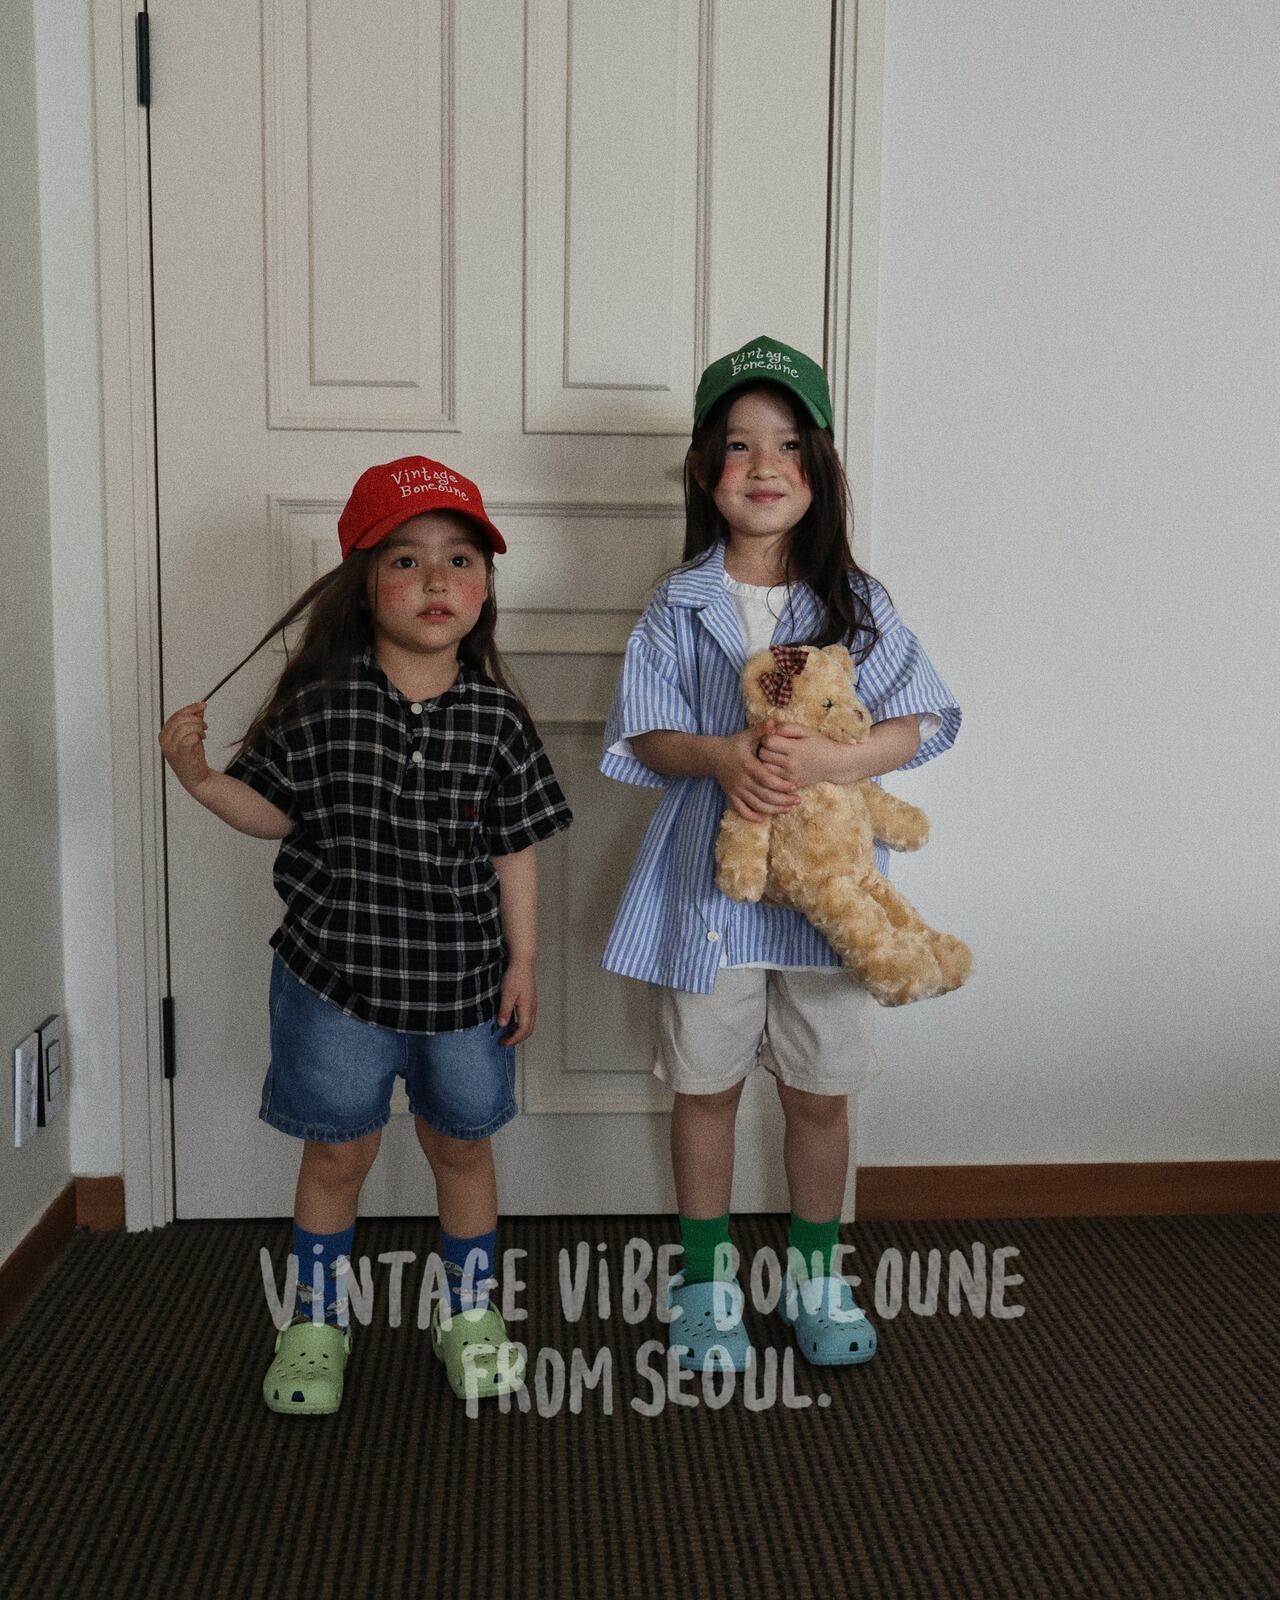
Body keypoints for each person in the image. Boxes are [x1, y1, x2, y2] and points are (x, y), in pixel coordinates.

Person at [159, 456, 572, 1413]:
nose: (436, 580)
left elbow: (514, 849)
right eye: (405, 560)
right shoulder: (320, 705)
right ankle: (315, 1325)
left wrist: (523, 961)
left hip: (465, 993)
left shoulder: (498, 721)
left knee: (461, 1151)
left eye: (460, 559)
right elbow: (273, 812)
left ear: (485, 589)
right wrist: (201, 779)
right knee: (336, 1157)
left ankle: (470, 1314)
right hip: (333, 987)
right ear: (362, 583)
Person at [600, 337, 961, 1370]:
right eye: (739, 444)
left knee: (817, 1091)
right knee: (705, 1086)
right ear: (703, 468)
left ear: (820, 467)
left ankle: (814, 1274)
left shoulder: (857, 601)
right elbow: (644, 735)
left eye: (789, 444)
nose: (764, 465)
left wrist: (836, 761)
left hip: (824, 897)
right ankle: (705, 1283)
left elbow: (920, 721)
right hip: (709, 890)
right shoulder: (677, 605)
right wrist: (721, 757)